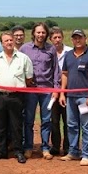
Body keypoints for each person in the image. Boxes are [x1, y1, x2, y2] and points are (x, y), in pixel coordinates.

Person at [58, 29, 88, 166]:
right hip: (71, 96)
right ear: (72, 40)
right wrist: (62, 93)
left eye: (80, 38)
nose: (77, 40)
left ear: (85, 39)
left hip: (86, 98)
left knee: (86, 126)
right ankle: (73, 151)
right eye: (75, 38)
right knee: (71, 125)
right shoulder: (68, 55)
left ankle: (86, 154)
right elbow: (64, 74)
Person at [19, 22, 59, 160]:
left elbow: (56, 70)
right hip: (30, 91)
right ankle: (28, 147)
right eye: (38, 32)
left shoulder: (51, 49)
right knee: (28, 120)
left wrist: (56, 89)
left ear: (46, 34)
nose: (40, 35)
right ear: (33, 33)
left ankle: (45, 147)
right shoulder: (24, 49)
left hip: (47, 90)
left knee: (46, 120)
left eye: (43, 32)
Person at [0, 32, 33, 164]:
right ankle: (1, 150)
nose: (9, 42)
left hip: (16, 97)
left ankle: (18, 151)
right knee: (0, 125)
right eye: (6, 41)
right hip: (0, 96)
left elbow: (29, 78)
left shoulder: (23, 58)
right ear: (1, 43)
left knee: (16, 125)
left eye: (10, 40)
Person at [49, 27, 71, 156]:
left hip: (68, 90)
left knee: (68, 120)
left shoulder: (70, 51)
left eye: (59, 37)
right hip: (52, 91)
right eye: (54, 38)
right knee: (54, 120)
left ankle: (68, 147)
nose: (57, 40)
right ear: (51, 39)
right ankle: (55, 146)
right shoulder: (49, 52)